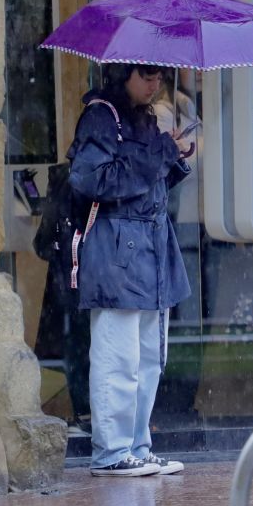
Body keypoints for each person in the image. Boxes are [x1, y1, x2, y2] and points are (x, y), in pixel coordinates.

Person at [68, 62, 197, 477]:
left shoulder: (144, 118)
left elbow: (142, 186)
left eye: (159, 75)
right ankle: (112, 452)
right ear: (123, 73)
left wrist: (173, 158)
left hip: (150, 250)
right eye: (146, 74)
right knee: (117, 358)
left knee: (148, 361)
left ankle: (137, 446)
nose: (155, 82)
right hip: (117, 253)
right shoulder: (101, 116)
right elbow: (93, 181)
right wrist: (160, 153)